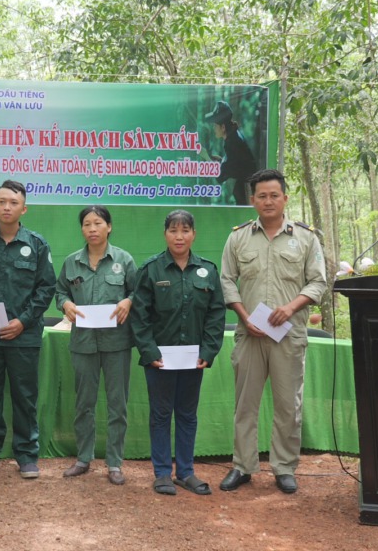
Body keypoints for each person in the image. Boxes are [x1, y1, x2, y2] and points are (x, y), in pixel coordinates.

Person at [219, 169, 327, 495]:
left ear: (285, 198)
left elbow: (318, 282)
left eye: (274, 195)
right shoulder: (238, 237)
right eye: (261, 196)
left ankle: (284, 467)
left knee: (287, 405)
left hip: (288, 334)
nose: (268, 201)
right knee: (245, 405)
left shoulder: (306, 238)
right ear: (252, 200)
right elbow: (226, 280)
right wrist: (243, 315)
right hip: (249, 333)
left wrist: (291, 308)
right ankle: (243, 466)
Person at [0, 180, 55, 479]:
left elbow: (46, 289)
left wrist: (23, 321)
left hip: (24, 337)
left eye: (13, 203)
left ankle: (27, 455)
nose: (7, 207)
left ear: (23, 208)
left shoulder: (37, 244)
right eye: (2, 201)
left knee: (24, 396)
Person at [131, 210, 225, 496]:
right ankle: (161, 473)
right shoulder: (151, 269)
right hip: (159, 361)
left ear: (194, 234)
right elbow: (139, 316)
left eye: (185, 230)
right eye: (173, 230)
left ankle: (185, 472)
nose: (179, 236)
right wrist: (149, 351)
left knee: (187, 414)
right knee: (160, 415)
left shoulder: (207, 270)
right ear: (165, 234)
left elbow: (216, 313)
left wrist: (208, 351)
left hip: (192, 360)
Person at [54, 206, 137, 485]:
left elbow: (138, 291)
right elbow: (60, 291)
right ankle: (83, 458)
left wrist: (129, 300)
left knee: (117, 405)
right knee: (84, 404)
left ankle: (114, 463)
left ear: (109, 227)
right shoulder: (71, 262)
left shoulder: (124, 260)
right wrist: (65, 303)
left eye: (98, 223)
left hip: (117, 343)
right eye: (87, 224)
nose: (92, 228)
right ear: (82, 229)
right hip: (83, 343)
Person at [205, 100, 259, 206]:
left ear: (223, 127)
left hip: (247, 193)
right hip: (245, 190)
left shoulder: (232, 142)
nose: (213, 128)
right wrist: (220, 160)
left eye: (215, 125)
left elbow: (220, 176)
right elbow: (233, 163)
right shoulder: (234, 136)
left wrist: (208, 160)